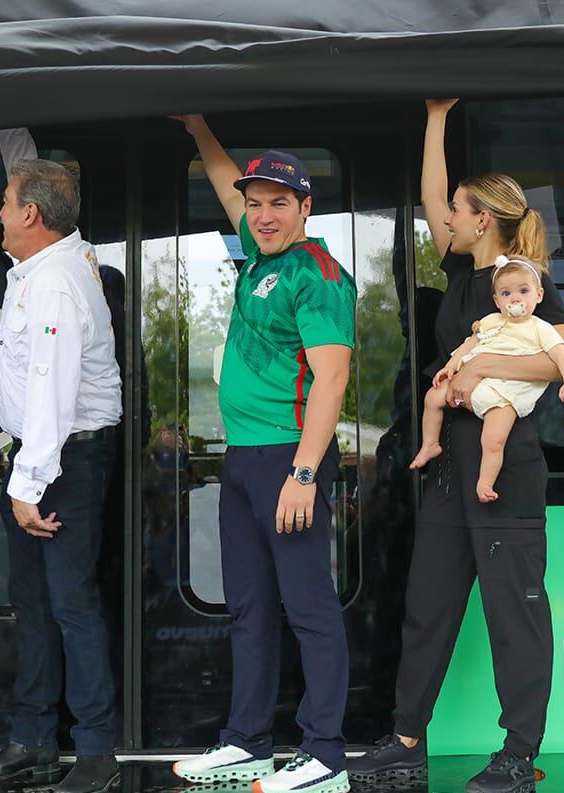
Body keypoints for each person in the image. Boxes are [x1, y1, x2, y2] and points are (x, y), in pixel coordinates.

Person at [349, 98, 564, 793]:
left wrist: (484, 366)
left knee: (514, 616)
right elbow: (432, 194)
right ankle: (405, 742)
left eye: (458, 209)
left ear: (483, 219)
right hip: (450, 467)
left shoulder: (520, 283)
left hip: (504, 468)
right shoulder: (461, 273)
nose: (445, 217)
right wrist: (435, 118)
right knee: (427, 605)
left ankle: (519, 753)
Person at [168, 114, 355, 793]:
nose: (264, 215)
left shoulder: (317, 274)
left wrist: (304, 472)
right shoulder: (259, 250)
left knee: (309, 608)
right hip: (244, 457)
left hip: (288, 458)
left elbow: (331, 379)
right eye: (256, 204)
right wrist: (198, 131)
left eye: (280, 202)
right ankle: (247, 742)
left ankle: (325, 753)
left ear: (306, 207)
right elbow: (226, 187)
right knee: (247, 606)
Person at [0, 128, 123, 793]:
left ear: (30, 215)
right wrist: (7, 121)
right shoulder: (53, 260)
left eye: (5, 202)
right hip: (46, 456)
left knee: (70, 603)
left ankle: (97, 754)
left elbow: (52, 392)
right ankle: (33, 742)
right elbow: (31, 176)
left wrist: (27, 484)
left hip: (62, 461)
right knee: (34, 602)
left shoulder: (53, 284)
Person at [412, 256, 564, 502]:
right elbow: (468, 345)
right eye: (506, 293)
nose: (515, 299)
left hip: (506, 394)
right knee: (432, 397)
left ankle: (485, 483)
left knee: (493, 439)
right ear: (496, 300)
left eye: (523, 291)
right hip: (471, 382)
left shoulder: (541, 328)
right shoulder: (490, 321)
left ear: (539, 295)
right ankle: (430, 443)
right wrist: (449, 368)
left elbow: (562, 357)